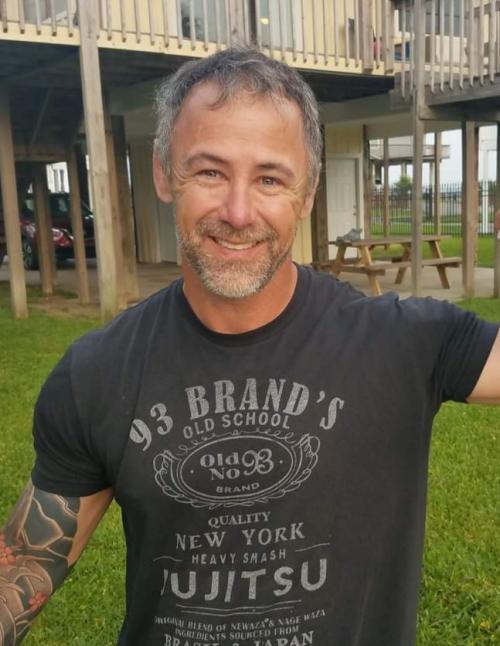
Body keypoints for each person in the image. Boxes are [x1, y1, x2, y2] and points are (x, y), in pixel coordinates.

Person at [1, 47, 499, 646]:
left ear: (307, 193)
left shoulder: (406, 345)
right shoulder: (96, 373)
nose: (238, 213)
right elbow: (26, 564)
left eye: (269, 179)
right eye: (209, 172)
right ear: (163, 172)